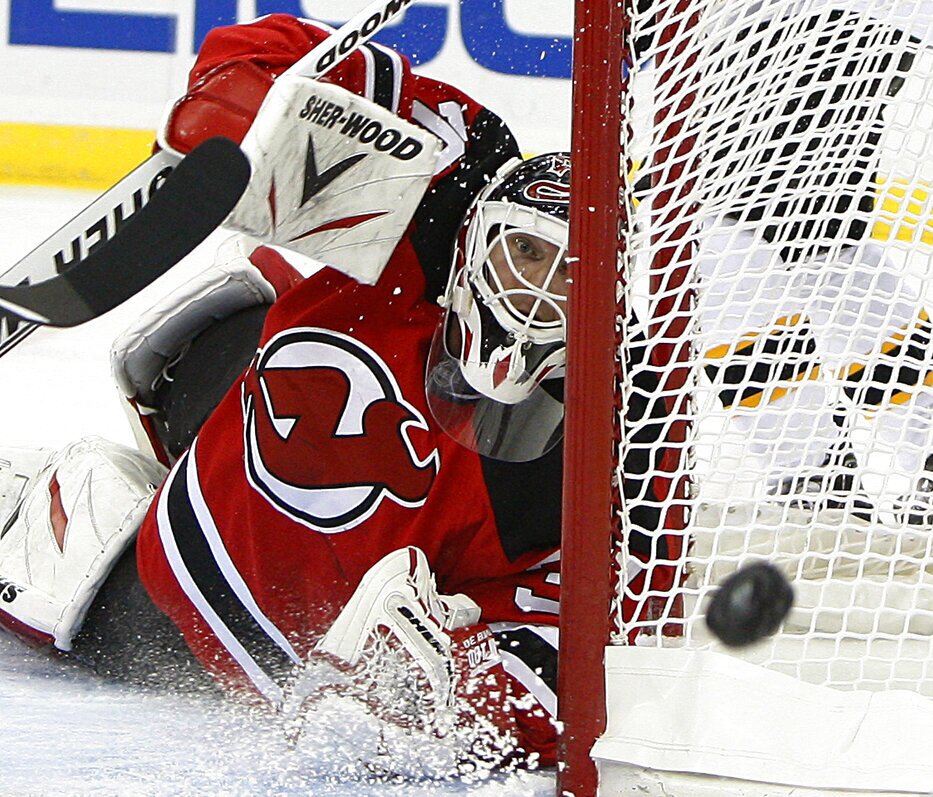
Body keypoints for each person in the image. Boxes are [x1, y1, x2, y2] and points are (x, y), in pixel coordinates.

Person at [0, 13, 649, 778]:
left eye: (571, 272)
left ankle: (58, 497)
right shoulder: (451, 182)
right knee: (267, 323)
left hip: (195, 606)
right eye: (527, 252)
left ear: (613, 293)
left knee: (80, 567)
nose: (538, 290)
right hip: (236, 407)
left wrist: (446, 690)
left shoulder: (598, 456)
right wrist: (245, 98)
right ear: (477, 236)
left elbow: (559, 663)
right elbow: (287, 55)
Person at [643, 0, 933, 525]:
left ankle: (819, 473)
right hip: (826, 13)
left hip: (827, 11)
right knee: (814, 238)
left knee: (727, 227)